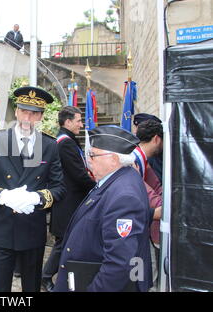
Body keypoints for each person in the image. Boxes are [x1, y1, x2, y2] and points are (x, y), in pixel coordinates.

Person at [0, 86, 66, 292]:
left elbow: (59, 188)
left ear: (40, 116)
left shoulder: (49, 145)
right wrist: (2, 196)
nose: (27, 118)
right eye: (23, 111)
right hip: (2, 229)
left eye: (33, 113)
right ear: (16, 111)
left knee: (31, 288)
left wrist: (36, 198)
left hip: (32, 230)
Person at [53, 126, 153, 292]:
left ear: (113, 159)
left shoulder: (123, 196)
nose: (88, 160)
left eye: (92, 155)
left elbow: (119, 263)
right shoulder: (118, 178)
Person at [41, 106, 96, 292]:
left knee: (66, 242)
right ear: (68, 121)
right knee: (63, 243)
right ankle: (46, 276)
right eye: (79, 121)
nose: (81, 124)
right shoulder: (65, 142)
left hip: (70, 200)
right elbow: (79, 174)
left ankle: (60, 276)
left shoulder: (67, 140)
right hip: (68, 202)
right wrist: (97, 187)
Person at [134, 119, 164, 289]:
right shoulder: (135, 160)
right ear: (156, 139)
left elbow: (155, 186)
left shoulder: (140, 158)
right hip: (138, 225)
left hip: (144, 223)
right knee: (143, 271)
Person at [133, 113, 163, 182]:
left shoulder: (136, 158)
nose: (135, 132)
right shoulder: (136, 160)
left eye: (137, 127)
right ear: (156, 139)